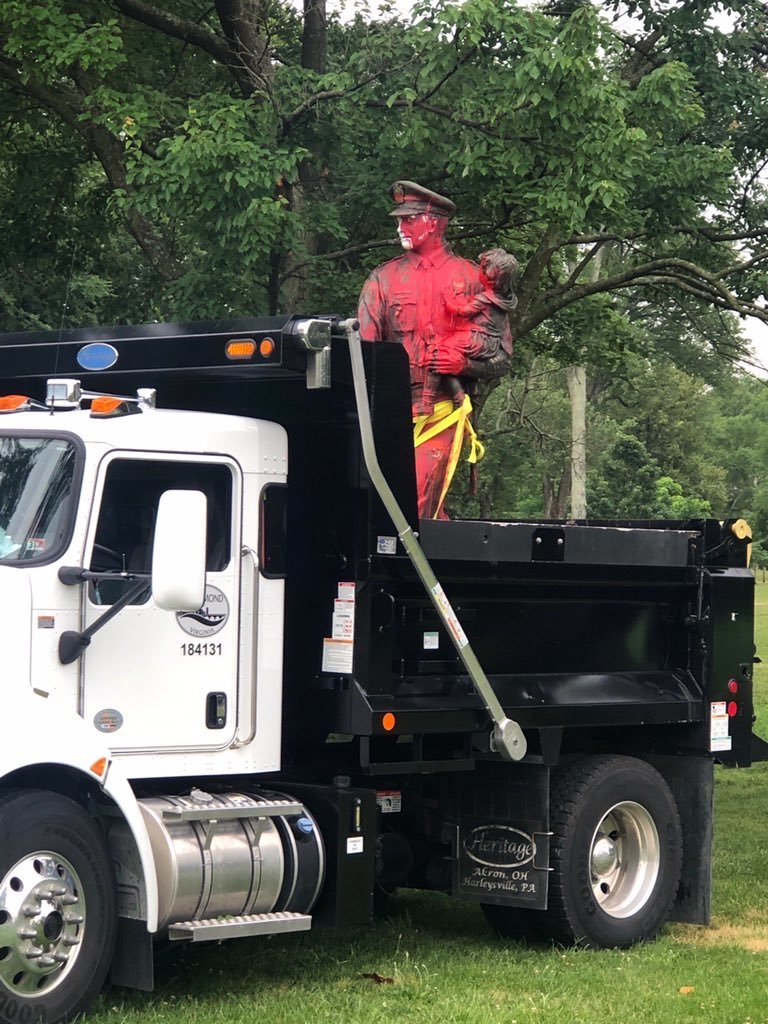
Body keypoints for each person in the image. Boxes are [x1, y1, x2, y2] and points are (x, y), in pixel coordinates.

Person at [357, 180, 513, 519]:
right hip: (388, 415)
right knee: (382, 509)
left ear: (435, 221)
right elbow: (362, 359)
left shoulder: (475, 279)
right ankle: (446, 560)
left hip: (442, 412)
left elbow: (502, 359)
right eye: (399, 219)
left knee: (412, 501)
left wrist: (462, 363)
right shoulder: (381, 280)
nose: (400, 227)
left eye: (409, 219)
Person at [422, 247, 519, 414]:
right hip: (393, 407)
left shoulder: (473, 280)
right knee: (440, 353)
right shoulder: (384, 278)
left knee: (440, 353)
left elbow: (504, 359)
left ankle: (431, 398)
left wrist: (467, 366)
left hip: (453, 420)